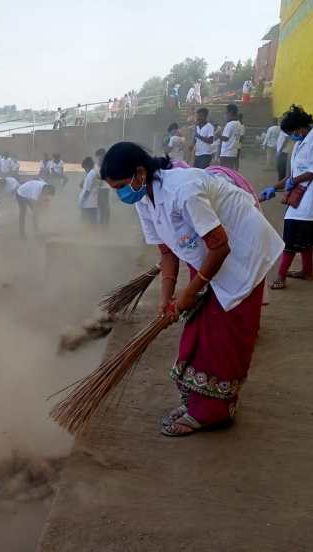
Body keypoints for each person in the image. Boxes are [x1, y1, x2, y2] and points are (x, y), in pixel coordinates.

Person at [99, 142, 283, 436]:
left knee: (222, 338)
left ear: (139, 172)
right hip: (210, 258)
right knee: (197, 332)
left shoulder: (182, 190)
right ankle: (200, 404)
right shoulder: (144, 200)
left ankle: (214, 412)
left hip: (243, 254)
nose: (121, 194)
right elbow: (167, 254)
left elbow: (220, 246)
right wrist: (166, 297)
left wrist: (189, 292)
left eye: (121, 185)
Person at [260, 105, 313, 290]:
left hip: (312, 195)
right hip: (302, 193)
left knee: (292, 233)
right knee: (304, 235)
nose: (292, 136)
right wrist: (274, 187)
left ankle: (281, 277)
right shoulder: (301, 142)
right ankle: (307, 272)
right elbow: (294, 174)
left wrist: (294, 180)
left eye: (292, 132)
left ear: (300, 127)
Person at [219, 104, 242, 169]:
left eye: (226, 113)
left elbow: (225, 138)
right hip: (233, 152)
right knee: (230, 171)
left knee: (225, 172)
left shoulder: (230, 124)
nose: (225, 115)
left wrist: (218, 135)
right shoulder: (238, 123)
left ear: (230, 113)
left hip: (226, 153)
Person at [78, 157, 100, 225]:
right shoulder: (93, 173)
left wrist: (82, 201)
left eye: (85, 168)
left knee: (87, 222)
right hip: (92, 203)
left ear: (87, 166)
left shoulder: (90, 174)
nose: (85, 170)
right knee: (92, 222)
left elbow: (87, 191)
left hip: (88, 204)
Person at [95, 148, 110, 225]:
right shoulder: (96, 165)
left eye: (101, 156)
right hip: (98, 188)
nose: (99, 158)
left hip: (104, 188)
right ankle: (102, 222)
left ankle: (105, 223)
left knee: (104, 205)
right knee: (100, 205)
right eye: (98, 157)